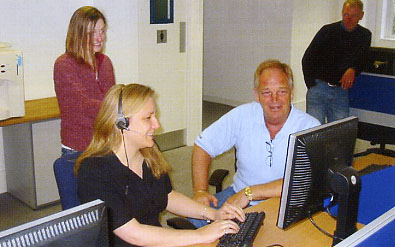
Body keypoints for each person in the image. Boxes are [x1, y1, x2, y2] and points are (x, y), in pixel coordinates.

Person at [75, 84, 245, 247]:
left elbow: (167, 196)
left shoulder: (148, 152)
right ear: (122, 124)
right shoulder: (94, 171)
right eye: (148, 118)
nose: (157, 125)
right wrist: (200, 234)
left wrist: (213, 214)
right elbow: (132, 233)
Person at [189, 60, 321, 228]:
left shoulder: (309, 127)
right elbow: (203, 146)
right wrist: (200, 191)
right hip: (237, 196)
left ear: (291, 93)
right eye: (266, 92)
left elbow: (304, 181)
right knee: (194, 220)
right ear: (256, 95)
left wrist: (251, 193)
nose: (275, 100)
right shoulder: (242, 115)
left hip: (285, 202)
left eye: (281, 91)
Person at [53, 6, 115, 209]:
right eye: (92, 33)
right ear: (78, 34)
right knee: (79, 212)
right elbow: (83, 106)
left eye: (102, 31)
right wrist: (120, 109)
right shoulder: (64, 65)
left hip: (104, 145)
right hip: (78, 148)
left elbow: (111, 99)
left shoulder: (105, 63)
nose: (100, 38)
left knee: (107, 208)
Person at [302, 0, 371, 124]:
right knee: (315, 133)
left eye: (354, 15)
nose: (349, 19)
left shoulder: (364, 35)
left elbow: (363, 60)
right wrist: (312, 85)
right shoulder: (328, 31)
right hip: (319, 88)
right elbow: (307, 59)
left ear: (361, 15)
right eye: (346, 14)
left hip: (341, 91)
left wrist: (353, 69)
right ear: (342, 13)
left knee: (340, 132)